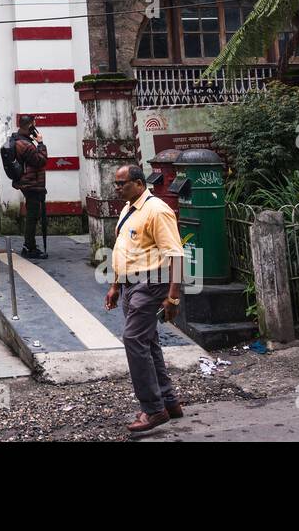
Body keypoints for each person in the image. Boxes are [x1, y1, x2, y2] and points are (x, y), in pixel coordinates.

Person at [104, 163, 185, 435]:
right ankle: (169, 402)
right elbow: (123, 249)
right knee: (148, 341)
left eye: (122, 183)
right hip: (130, 284)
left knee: (133, 339)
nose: (117, 188)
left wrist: (173, 296)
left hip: (152, 282)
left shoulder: (157, 210)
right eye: (116, 183)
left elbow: (175, 255)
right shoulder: (129, 208)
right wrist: (115, 286)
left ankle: (153, 409)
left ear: (139, 184)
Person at [12, 115, 48, 259]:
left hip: (29, 182)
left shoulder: (21, 140)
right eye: (34, 124)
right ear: (30, 126)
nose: (35, 127)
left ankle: (30, 244)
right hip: (30, 183)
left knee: (33, 213)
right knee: (32, 215)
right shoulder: (25, 144)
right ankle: (29, 247)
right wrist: (41, 143)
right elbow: (40, 161)